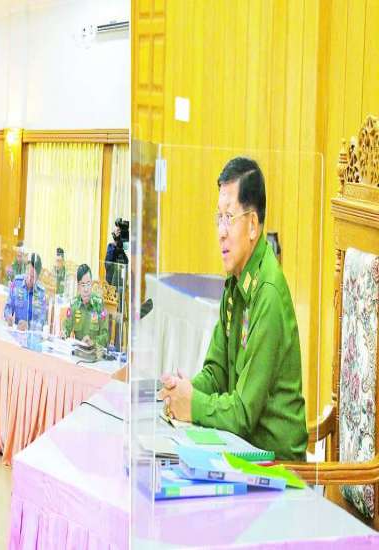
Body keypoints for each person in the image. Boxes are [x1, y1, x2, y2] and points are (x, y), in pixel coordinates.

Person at [158, 157, 307, 461]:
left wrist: (193, 404)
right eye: (218, 218)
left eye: (229, 217)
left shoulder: (267, 293)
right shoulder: (236, 282)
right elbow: (216, 372)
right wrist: (183, 391)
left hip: (276, 466)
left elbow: (243, 414)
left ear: (252, 225)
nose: (220, 232)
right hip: (239, 448)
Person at [63, 264, 109, 348]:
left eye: (88, 284)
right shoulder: (74, 304)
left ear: (91, 283)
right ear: (78, 286)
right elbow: (66, 327)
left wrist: (93, 342)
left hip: (94, 352)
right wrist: (63, 334)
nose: (86, 289)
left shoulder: (99, 304)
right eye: (83, 285)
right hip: (78, 351)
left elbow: (105, 336)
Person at [4, 253, 47, 331]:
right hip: (15, 331)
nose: (29, 279)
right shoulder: (17, 283)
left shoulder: (41, 293)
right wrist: (8, 316)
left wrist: (29, 326)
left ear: (37, 277)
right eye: (28, 274)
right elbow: (8, 306)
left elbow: (42, 319)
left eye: (33, 277)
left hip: (31, 334)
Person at [105, 219, 129, 286]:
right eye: (119, 232)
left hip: (121, 286)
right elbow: (108, 265)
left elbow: (126, 264)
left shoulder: (123, 252)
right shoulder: (111, 247)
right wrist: (115, 242)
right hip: (111, 287)